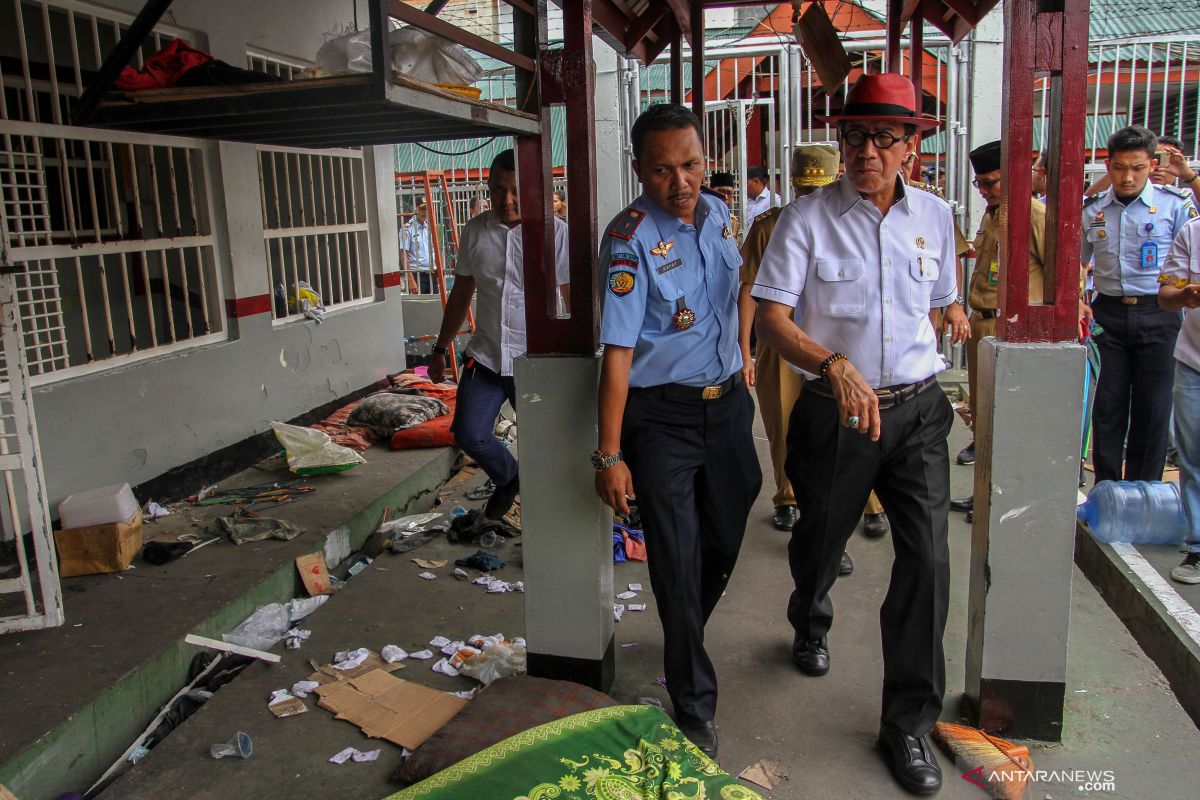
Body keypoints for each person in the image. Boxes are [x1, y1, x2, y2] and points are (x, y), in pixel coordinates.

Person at [752, 72, 969, 796]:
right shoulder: (805, 220)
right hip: (835, 412)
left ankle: (906, 723)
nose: (867, 150)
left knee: (929, 562)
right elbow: (773, 321)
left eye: (885, 136)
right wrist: (836, 363)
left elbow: (940, 303)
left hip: (916, 413)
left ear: (913, 144)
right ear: (839, 140)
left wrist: (924, 355)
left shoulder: (935, 216)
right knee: (820, 537)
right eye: (854, 135)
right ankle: (809, 618)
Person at [594, 103, 761, 759]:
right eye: (663, 170)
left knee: (729, 522)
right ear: (640, 170)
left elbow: (738, 289)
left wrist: (744, 350)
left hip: (726, 406)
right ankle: (693, 702)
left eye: (690, 164)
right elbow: (617, 354)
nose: (681, 181)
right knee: (676, 554)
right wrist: (609, 454)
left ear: (704, 158)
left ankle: (683, 625)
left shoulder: (720, 214)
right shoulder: (629, 238)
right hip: (659, 417)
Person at [738, 143, 889, 557]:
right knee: (784, 426)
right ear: (791, 184)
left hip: (839, 345)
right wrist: (744, 350)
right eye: (803, 188)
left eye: (818, 187)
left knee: (859, 424)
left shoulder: (860, 221)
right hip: (782, 345)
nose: (810, 196)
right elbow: (749, 288)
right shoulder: (771, 224)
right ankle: (789, 497)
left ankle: (870, 502)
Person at [428, 150, 570, 519]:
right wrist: (441, 348)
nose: (506, 200)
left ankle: (549, 524)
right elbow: (462, 293)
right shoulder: (476, 229)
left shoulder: (555, 233)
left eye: (516, 191)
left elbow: (572, 299)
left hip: (537, 361)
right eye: (498, 190)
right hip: (488, 356)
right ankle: (509, 478)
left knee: (546, 445)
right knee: (469, 434)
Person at [1082, 125, 1197, 484]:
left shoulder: (1173, 206)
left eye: (1137, 168)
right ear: (1107, 165)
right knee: (1109, 406)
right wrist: (1075, 299)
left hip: (1159, 312)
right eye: (1118, 168)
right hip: (1109, 314)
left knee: (1153, 407)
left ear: (1152, 165)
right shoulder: (1093, 210)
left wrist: (1190, 177)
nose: (1127, 177)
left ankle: (1144, 490)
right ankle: (1108, 489)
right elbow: (1077, 263)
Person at [950, 141, 1048, 518]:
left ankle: (1002, 502)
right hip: (983, 324)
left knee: (1007, 419)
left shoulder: (1032, 214)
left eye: (992, 182)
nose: (986, 190)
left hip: (1012, 328)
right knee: (983, 415)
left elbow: (1057, 272)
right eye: (980, 184)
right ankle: (983, 494)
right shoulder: (994, 215)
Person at [1157, 218, 1200, 584]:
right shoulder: (1193, 232)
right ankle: (1198, 548)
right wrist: (1186, 296)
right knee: (1193, 455)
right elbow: (1166, 296)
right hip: (1193, 362)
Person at [401, 200, 435, 294]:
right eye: (422, 209)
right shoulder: (407, 229)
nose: (424, 212)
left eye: (426, 209)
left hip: (432, 273)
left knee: (435, 305)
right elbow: (404, 255)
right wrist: (411, 280)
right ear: (415, 209)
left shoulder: (429, 228)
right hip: (417, 275)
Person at [708, 171, 741, 241]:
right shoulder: (701, 218)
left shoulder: (733, 221)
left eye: (729, 193)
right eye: (721, 191)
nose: (725, 197)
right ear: (710, 193)